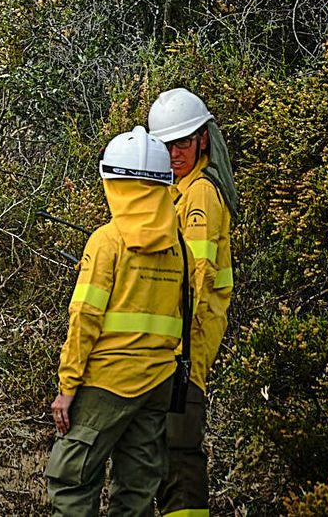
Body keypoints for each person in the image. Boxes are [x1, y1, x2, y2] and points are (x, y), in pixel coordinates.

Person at [46, 126, 187, 517]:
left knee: (71, 481)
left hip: (106, 383)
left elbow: (85, 318)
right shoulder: (180, 248)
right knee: (138, 492)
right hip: (159, 382)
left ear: (114, 182)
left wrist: (67, 387)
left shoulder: (107, 241)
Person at [149, 88, 236, 517]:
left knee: (179, 452)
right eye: (165, 145)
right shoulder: (178, 188)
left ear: (202, 139)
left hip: (186, 340)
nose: (174, 153)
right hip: (172, 338)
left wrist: (170, 336)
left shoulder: (199, 193)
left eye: (182, 142)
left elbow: (196, 276)